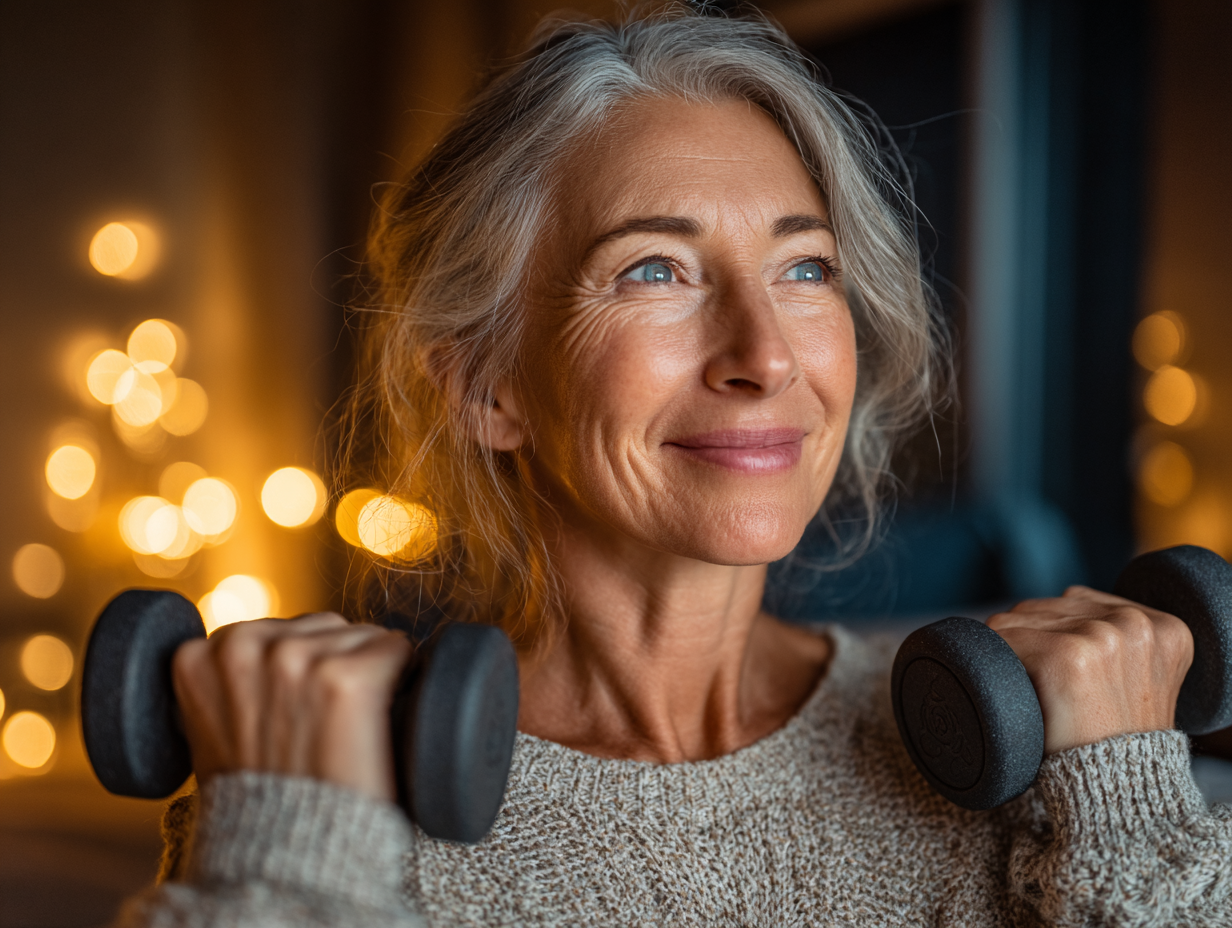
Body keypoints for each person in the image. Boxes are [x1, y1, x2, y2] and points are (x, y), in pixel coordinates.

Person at [118, 9, 1232, 927]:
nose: (763, 354)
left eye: (803, 268)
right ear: (484, 385)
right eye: (655, 269)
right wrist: (291, 848)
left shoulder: (1035, 762)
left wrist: (1127, 803)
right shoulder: (318, 794)